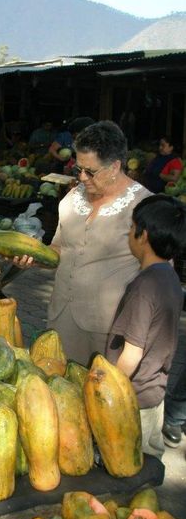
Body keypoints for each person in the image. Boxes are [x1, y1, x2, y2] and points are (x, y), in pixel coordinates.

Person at [13, 120, 152, 366]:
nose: (82, 178)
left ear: (115, 167)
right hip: (62, 316)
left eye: (91, 171)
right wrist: (32, 258)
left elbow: (159, 274)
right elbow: (58, 250)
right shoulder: (71, 199)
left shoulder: (143, 207)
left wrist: (139, 338)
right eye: (78, 169)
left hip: (111, 327)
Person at [106, 195, 186, 458]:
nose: (129, 233)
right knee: (146, 465)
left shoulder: (145, 287)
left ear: (144, 235)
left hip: (132, 401)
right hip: (153, 396)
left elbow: (132, 354)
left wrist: (106, 392)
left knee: (126, 470)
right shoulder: (170, 278)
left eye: (131, 227)